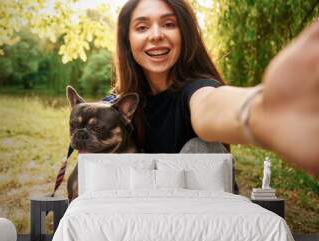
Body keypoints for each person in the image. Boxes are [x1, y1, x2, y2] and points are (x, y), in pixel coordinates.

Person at [112, 0, 319, 177]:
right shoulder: (119, 105)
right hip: (141, 215)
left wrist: (264, 111)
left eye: (168, 24)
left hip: (203, 214)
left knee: (200, 147)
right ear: (127, 41)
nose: (156, 35)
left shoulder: (197, 89)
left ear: (184, 34)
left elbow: (209, 106)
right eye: (142, 27)